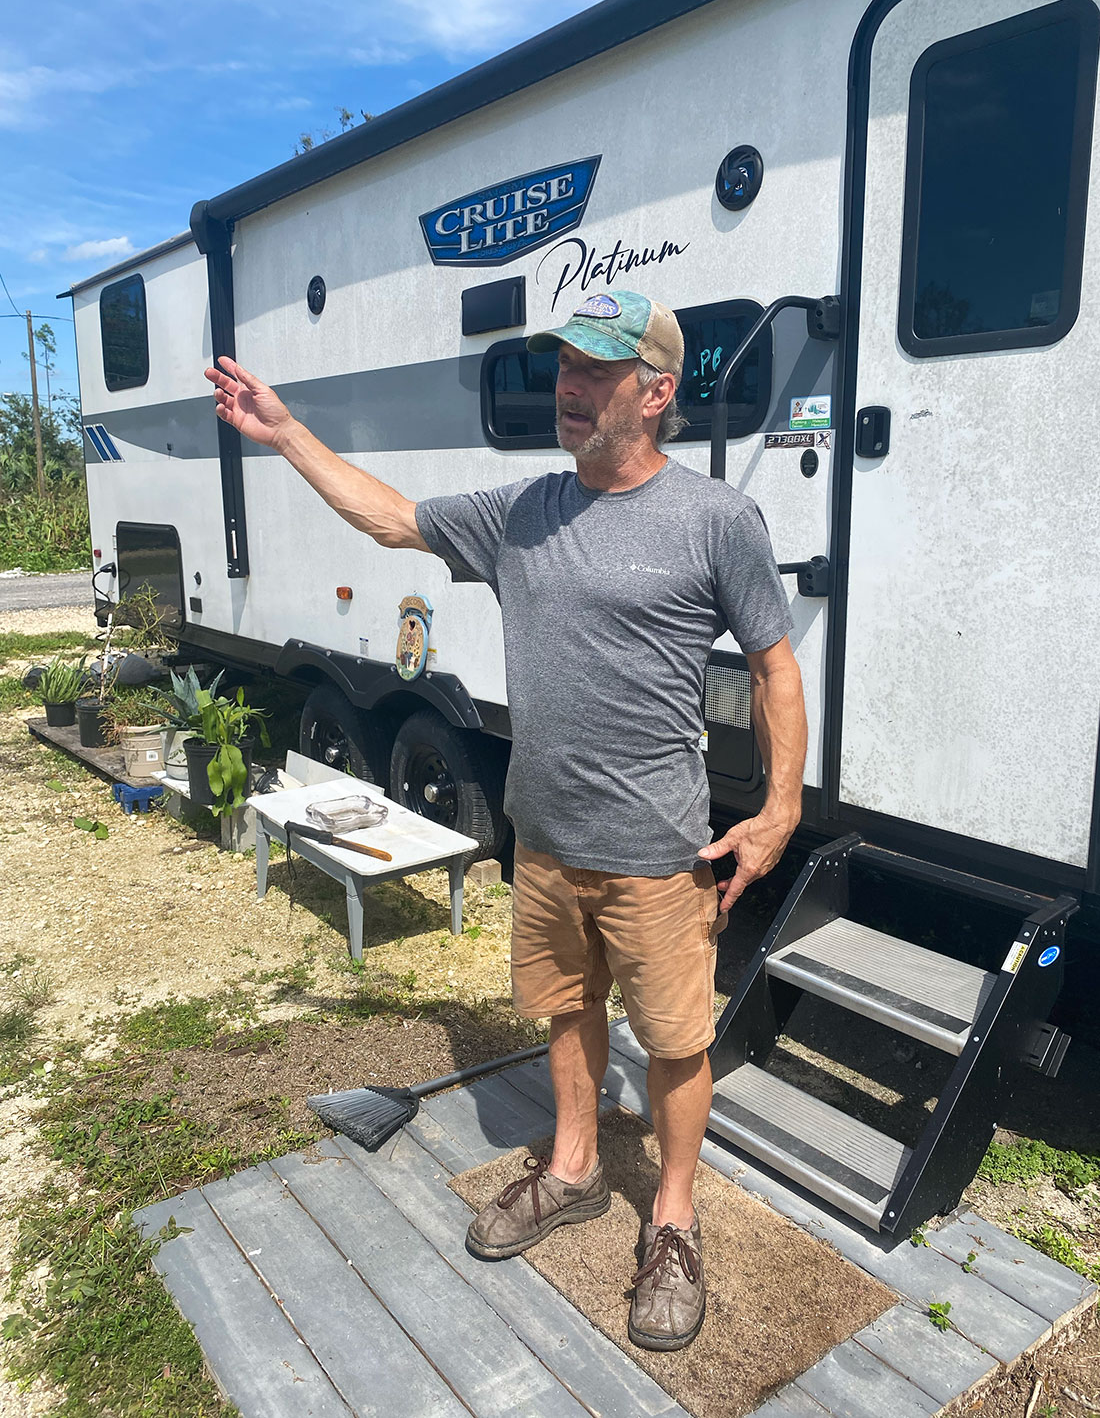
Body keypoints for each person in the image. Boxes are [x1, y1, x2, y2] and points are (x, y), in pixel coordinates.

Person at [205, 288, 807, 1352]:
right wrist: (288, 433)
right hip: (544, 844)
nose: (568, 389)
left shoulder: (715, 520)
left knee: (672, 1044)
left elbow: (772, 665)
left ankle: (672, 1220)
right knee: (565, 1011)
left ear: (656, 392)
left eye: (596, 372)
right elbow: (388, 516)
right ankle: (572, 1167)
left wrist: (778, 807)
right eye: (563, 369)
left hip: (658, 855)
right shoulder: (522, 510)